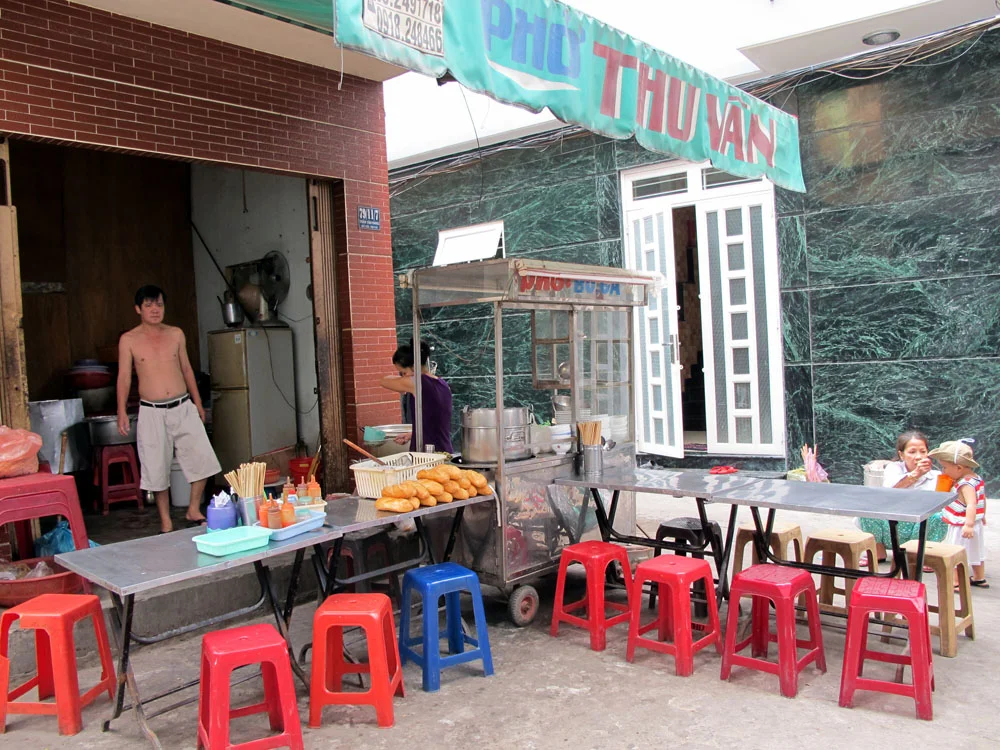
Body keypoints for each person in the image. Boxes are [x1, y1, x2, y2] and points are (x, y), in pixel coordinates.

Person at [117, 285, 220, 533]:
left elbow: (186, 369)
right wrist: (121, 410)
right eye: (149, 305)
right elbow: (123, 377)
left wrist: (197, 402)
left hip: (182, 404)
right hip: (151, 411)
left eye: (159, 304)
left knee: (203, 458)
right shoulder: (129, 339)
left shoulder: (176, 334)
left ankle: (193, 508)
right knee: (156, 467)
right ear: (138, 309)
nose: (155, 310)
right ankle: (165, 521)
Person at [858, 430, 948, 561]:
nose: (918, 457)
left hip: (919, 529)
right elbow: (889, 493)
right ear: (901, 455)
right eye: (912, 452)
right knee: (865, 509)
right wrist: (915, 475)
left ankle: (925, 554)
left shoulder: (936, 476)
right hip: (892, 526)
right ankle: (878, 551)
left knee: (940, 517)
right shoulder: (893, 469)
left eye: (923, 452)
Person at [930, 439, 988, 588]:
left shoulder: (964, 484)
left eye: (945, 468)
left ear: (959, 468)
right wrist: (982, 515)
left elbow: (971, 504)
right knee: (976, 550)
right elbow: (982, 499)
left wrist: (968, 524)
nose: (943, 472)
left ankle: (955, 581)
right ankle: (979, 577)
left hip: (961, 525)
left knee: (954, 551)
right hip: (975, 523)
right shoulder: (976, 479)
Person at [379, 341, 454, 453]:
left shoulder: (417, 382)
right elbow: (434, 422)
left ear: (414, 367)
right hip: (444, 448)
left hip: (428, 453)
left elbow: (384, 381)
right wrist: (413, 435)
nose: (403, 376)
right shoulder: (442, 384)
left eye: (402, 372)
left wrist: (403, 382)